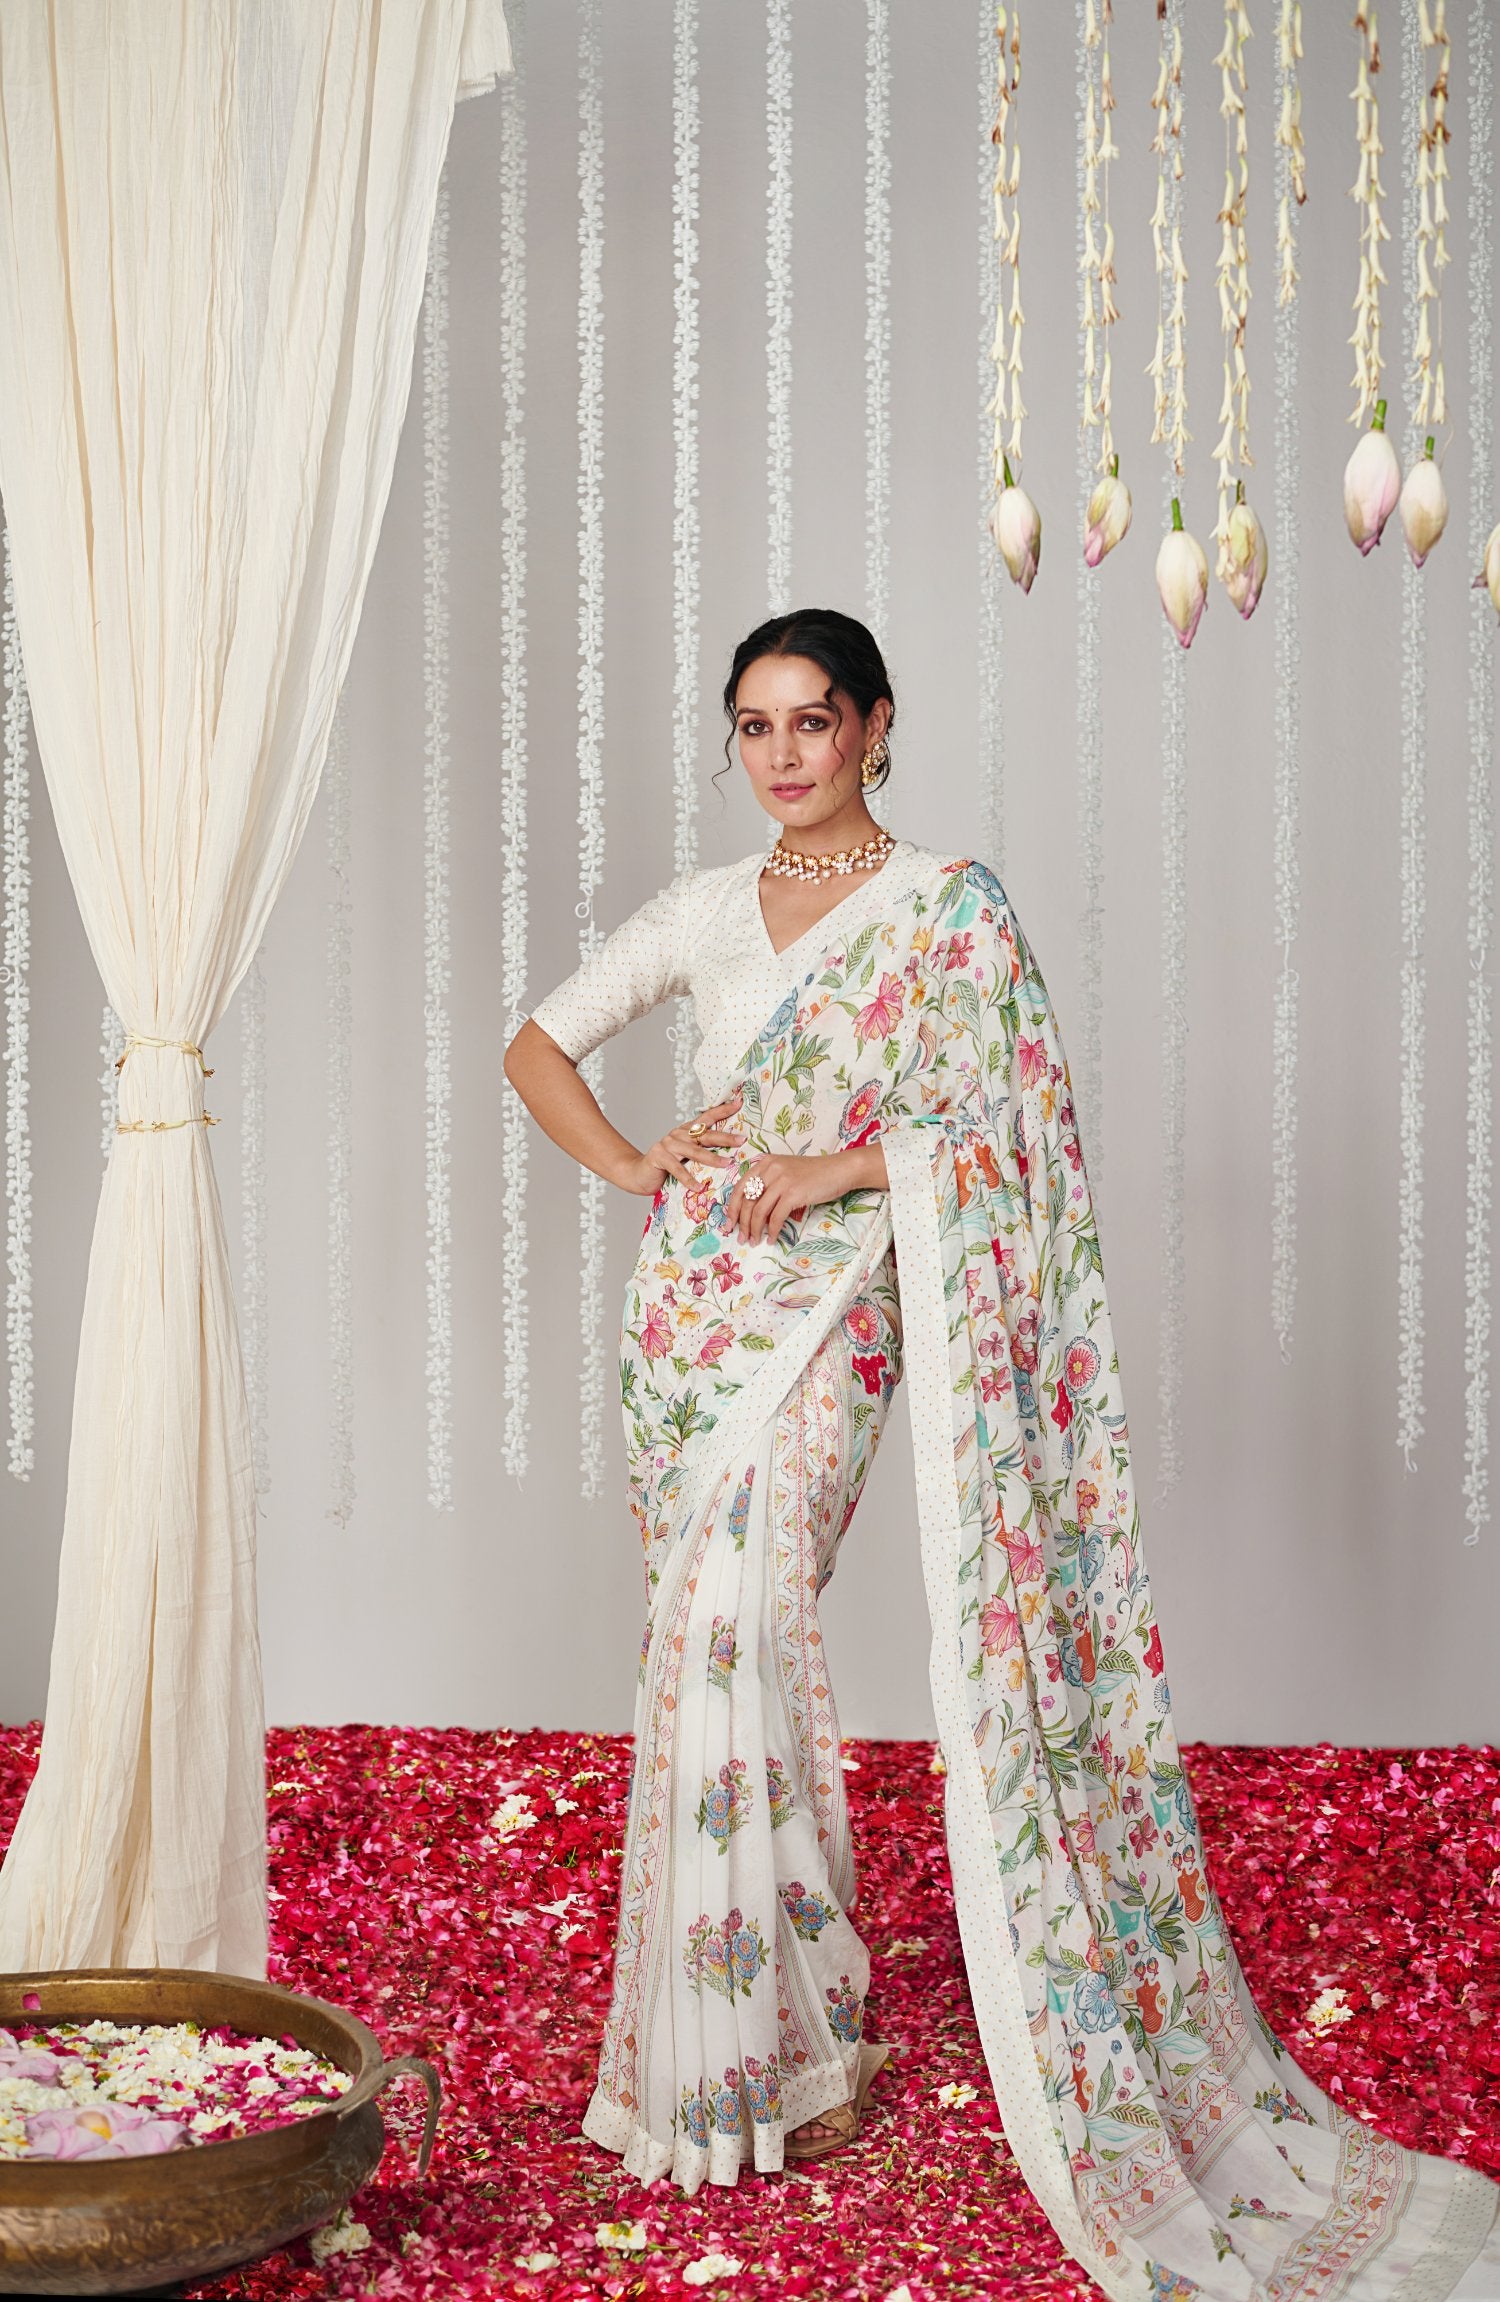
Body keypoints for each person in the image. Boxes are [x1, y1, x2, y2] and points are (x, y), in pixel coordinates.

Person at [503, 609, 1500, 2298]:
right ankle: (766, 2047)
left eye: (814, 719)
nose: (783, 753)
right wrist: (635, 1167)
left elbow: (1009, 1128)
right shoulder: (701, 909)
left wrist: (838, 1170)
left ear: (876, 725)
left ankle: (773, 2032)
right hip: (691, 1325)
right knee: (704, 1651)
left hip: (837, 1309)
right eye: (754, 724)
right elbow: (535, 1042)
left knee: (748, 1623)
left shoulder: (948, 911)